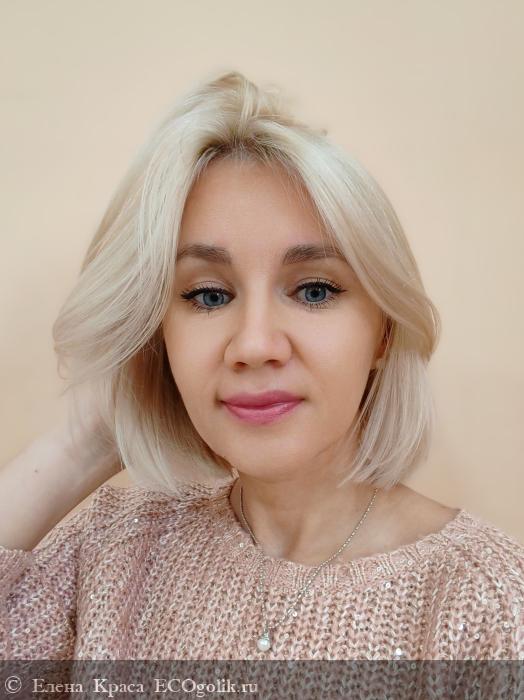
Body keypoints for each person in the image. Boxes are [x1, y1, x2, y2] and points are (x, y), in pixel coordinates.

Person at [1, 71, 523, 672]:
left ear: (384, 331)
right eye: (208, 295)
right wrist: (80, 444)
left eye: (315, 290)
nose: (253, 345)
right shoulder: (116, 553)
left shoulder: (486, 604)